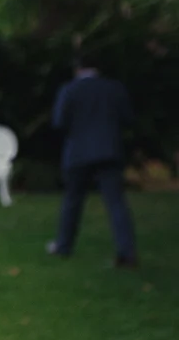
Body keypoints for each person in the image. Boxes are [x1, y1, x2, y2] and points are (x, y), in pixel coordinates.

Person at [47, 55, 137, 268]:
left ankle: (64, 246)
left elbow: (59, 122)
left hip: (78, 152)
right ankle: (127, 252)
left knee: (72, 201)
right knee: (116, 202)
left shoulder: (69, 90)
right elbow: (128, 118)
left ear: (77, 69)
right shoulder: (114, 88)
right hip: (109, 150)